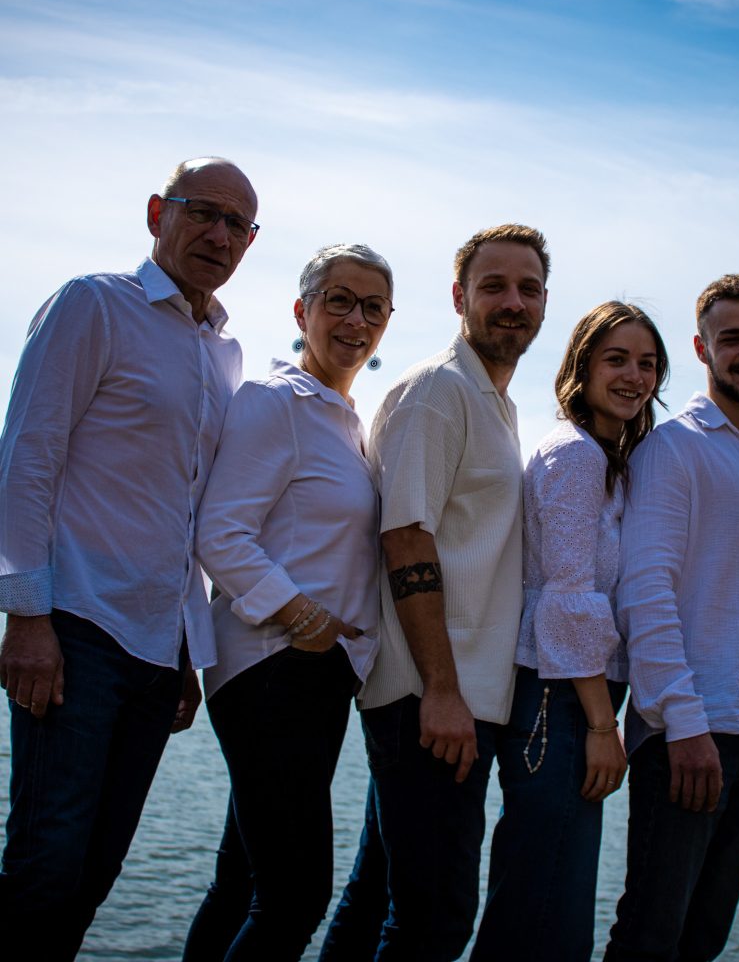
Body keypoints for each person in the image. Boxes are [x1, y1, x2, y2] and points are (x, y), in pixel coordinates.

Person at [0, 157, 259, 960]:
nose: (217, 234)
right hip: (75, 627)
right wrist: (26, 617)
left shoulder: (226, 353)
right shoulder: (93, 304)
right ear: (158, 212)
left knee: (98, 870)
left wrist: (186, 649)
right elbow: (26, 458)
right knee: (46, 862)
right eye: (200, 212)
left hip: (157, 653)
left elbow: (190, 513)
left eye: (235, 225)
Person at [323, 224, 549, 962]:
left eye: (527, 288)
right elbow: (405, 538)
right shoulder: (437, 391)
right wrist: (442, 690)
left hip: (443, 699)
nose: (512, 302)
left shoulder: (494, 403)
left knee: (375, 904)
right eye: (493, 286)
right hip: (430, 701)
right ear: (460, 298)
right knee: (435, 922)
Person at [181, 243, 395, 962]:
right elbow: (220, 530)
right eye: (338, 299)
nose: (355, 319)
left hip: (314, 675)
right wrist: (305, 620)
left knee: (242, 883)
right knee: (297, 897)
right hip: (275, 666)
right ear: (302, 310)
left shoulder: (346, 420)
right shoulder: (276, 400)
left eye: (372, 307)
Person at [604, 274, 739, 962]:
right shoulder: (672, 449)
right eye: (732, 339)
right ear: (702, 349)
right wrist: (682, 724)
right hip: (686, 737)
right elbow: (645, 594)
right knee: (649, 937)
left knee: (703, 940)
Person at [471, 301, 669, 962]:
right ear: (581, 369)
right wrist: (598, 726)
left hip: (574, 697)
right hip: (559, 699)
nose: (634, 376)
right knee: (546, 893)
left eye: (646, 364)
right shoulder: (574, 456)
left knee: (546, 885)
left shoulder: (611, 460)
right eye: (616, 360)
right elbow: (568, 596)